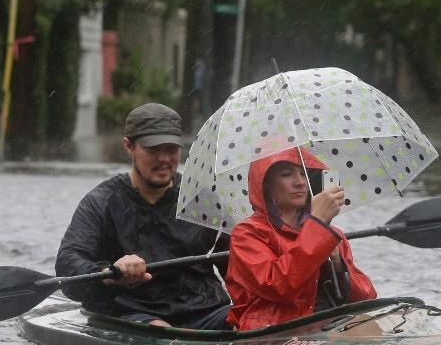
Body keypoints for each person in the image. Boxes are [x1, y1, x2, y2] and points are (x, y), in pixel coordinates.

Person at [55, 103, 231, 329]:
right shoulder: (100, 202)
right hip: (132, 312)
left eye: (171, 149)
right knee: (160, 330)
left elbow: (236, 268)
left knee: (245, 322)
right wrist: (109, 272)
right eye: (153, 149)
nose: (164, 159)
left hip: (205, 310)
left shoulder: (203, 200)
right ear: (128, 146)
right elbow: (69, 264)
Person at [225, 147, 376, 330]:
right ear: (265, 185)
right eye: (287, 175)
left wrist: (338, 264)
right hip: (274, 331)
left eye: (304, 175)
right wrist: (317, 226)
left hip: (331, 326)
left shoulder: (330, 233)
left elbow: (366, 298)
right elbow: (277, 286)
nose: (300, 183)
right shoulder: (247, 233)